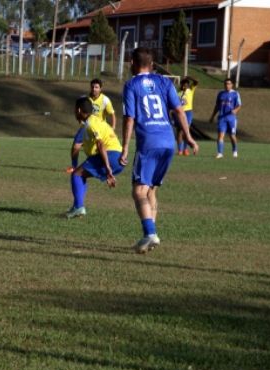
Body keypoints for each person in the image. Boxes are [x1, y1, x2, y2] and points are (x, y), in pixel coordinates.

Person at [120, 47, 199, 254]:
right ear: (153, 65)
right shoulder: (165, 82)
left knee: (138, 190)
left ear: (132, 64)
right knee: (152, 189)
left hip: (148, 142)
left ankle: (150, 233)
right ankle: (150, 236)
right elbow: (179, 111)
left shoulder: (131, 85)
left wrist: (126, 147)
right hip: (168, 141)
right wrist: (189, 137)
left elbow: (130, 118)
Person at [66, 97, 124, 219]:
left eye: (74, 110)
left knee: (76, 174)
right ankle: (77, 206)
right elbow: (77, 146)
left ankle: (78, 207)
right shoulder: (96, 121)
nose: (74, 112)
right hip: (119, 158)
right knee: (81, 174)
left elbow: (100, 144)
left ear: (79, 110)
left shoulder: (91, 124)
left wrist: (108, 168)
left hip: (110, 156)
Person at [209, 78, 242, 158]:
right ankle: (220, 153)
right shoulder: (220, 94)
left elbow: (239, 105)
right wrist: (212, 116)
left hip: (231, 118)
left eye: (229, 84)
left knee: (232, 136)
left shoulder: (235, 94)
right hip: (221, 118)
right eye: (226, 84)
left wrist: (235, 110)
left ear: (232, 85)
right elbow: (217, 106)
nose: (227, 85)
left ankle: (235, 150)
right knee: (220, 136)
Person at [174, 76, 198, 156]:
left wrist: (188, 77)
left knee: (185, 130)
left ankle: (185, 149)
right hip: (179, 113)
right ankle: (180, 150)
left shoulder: (190, 90)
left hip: (188, 112)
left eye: (186, 84)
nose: (184, 86)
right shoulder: (178, 93)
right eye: (183, 84)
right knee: (179, 132)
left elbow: (196, 81)